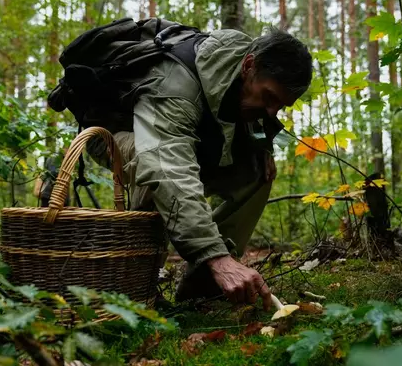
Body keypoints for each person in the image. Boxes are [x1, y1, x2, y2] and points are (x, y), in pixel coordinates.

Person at [85, 26, 313, 310]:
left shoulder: (243, 71)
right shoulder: (175, 85)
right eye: (268, 98)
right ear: (249, 65)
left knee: (257, 169)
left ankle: (202, 286)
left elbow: (233, 111)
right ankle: (137, 289)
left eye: (280, 106)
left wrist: (261, 148)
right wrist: (214, 255)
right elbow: (166, 166)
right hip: (113, 133)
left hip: (178, 139)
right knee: (153, 164)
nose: (271, 112)